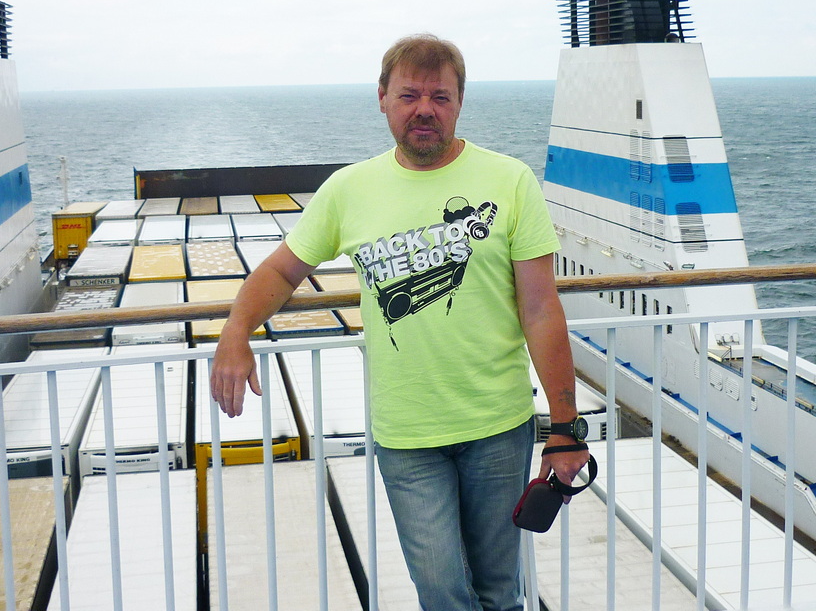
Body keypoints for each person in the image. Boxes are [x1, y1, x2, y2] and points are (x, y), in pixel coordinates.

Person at [210, 33, 590, 611]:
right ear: (383, 98)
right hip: (408, 436)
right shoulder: (349, 190)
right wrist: (235, 332)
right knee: (440, 589)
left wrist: (564, 428)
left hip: (498, 426)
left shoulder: (510, 181)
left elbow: (541, 310)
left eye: (440, 96)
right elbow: (283, 270)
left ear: (459, 103)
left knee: (499, 591)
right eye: (410, 95)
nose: (424, 110)